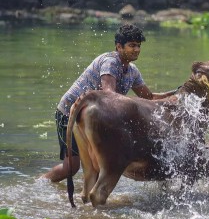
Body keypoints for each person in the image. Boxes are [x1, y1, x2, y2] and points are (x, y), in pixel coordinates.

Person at [42, 24, 177, 182]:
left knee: (97, 165)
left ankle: (89, 198)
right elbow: (109, 95)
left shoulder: (132, 71)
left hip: (91, 117)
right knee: (71, 167)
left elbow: (149, 97)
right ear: (119, 46)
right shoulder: (110, 62)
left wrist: (174, 95)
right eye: (132, 45)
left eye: (139, 46)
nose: (137, 49)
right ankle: (39, 184)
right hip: (70, 112)